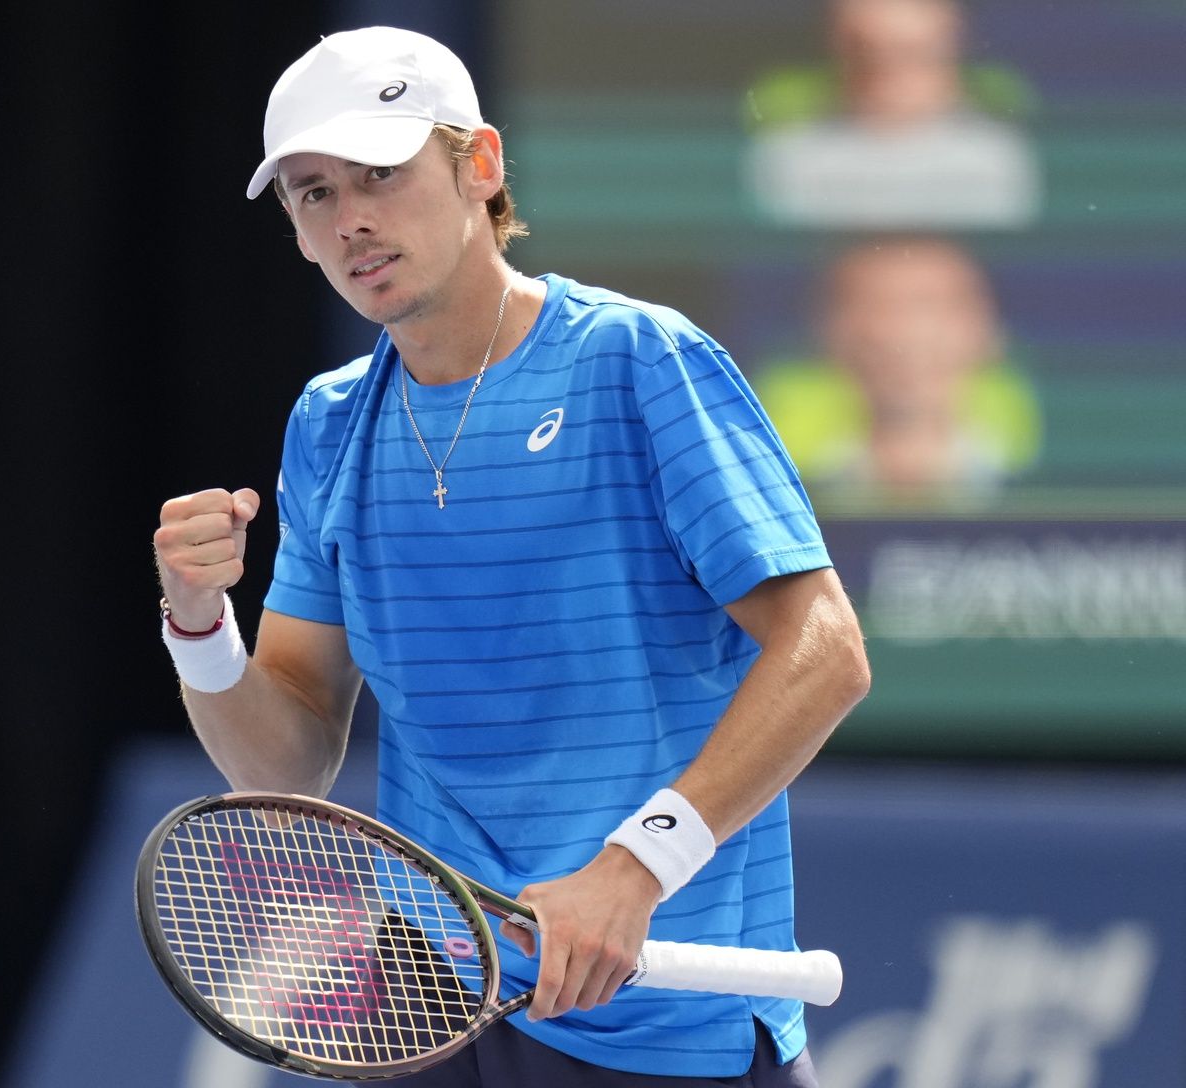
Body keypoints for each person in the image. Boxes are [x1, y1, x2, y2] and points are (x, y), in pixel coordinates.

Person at [152, 26, 870, 1087]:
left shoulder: (636, 361)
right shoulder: (329, 422)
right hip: (434, 1005)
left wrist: (633, 869)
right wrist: (200, 627)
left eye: (380, 174)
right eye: (310, 193)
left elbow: (824, 649)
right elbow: (286, 758)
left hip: (666, 1023)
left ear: (478, 166)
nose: (349, 217)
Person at [754, 234, 1042, 510]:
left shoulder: (1044, 488)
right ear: (828, 332)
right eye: (874, 306)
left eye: (929, 304)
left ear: (985, 329)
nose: (901, 333)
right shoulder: (775, 494)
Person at [744, 0, 1041, 229]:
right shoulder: (789, 157)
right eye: (865, 51)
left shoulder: (997, 158)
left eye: (910, 52)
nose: (887, 71)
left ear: (951, 48)